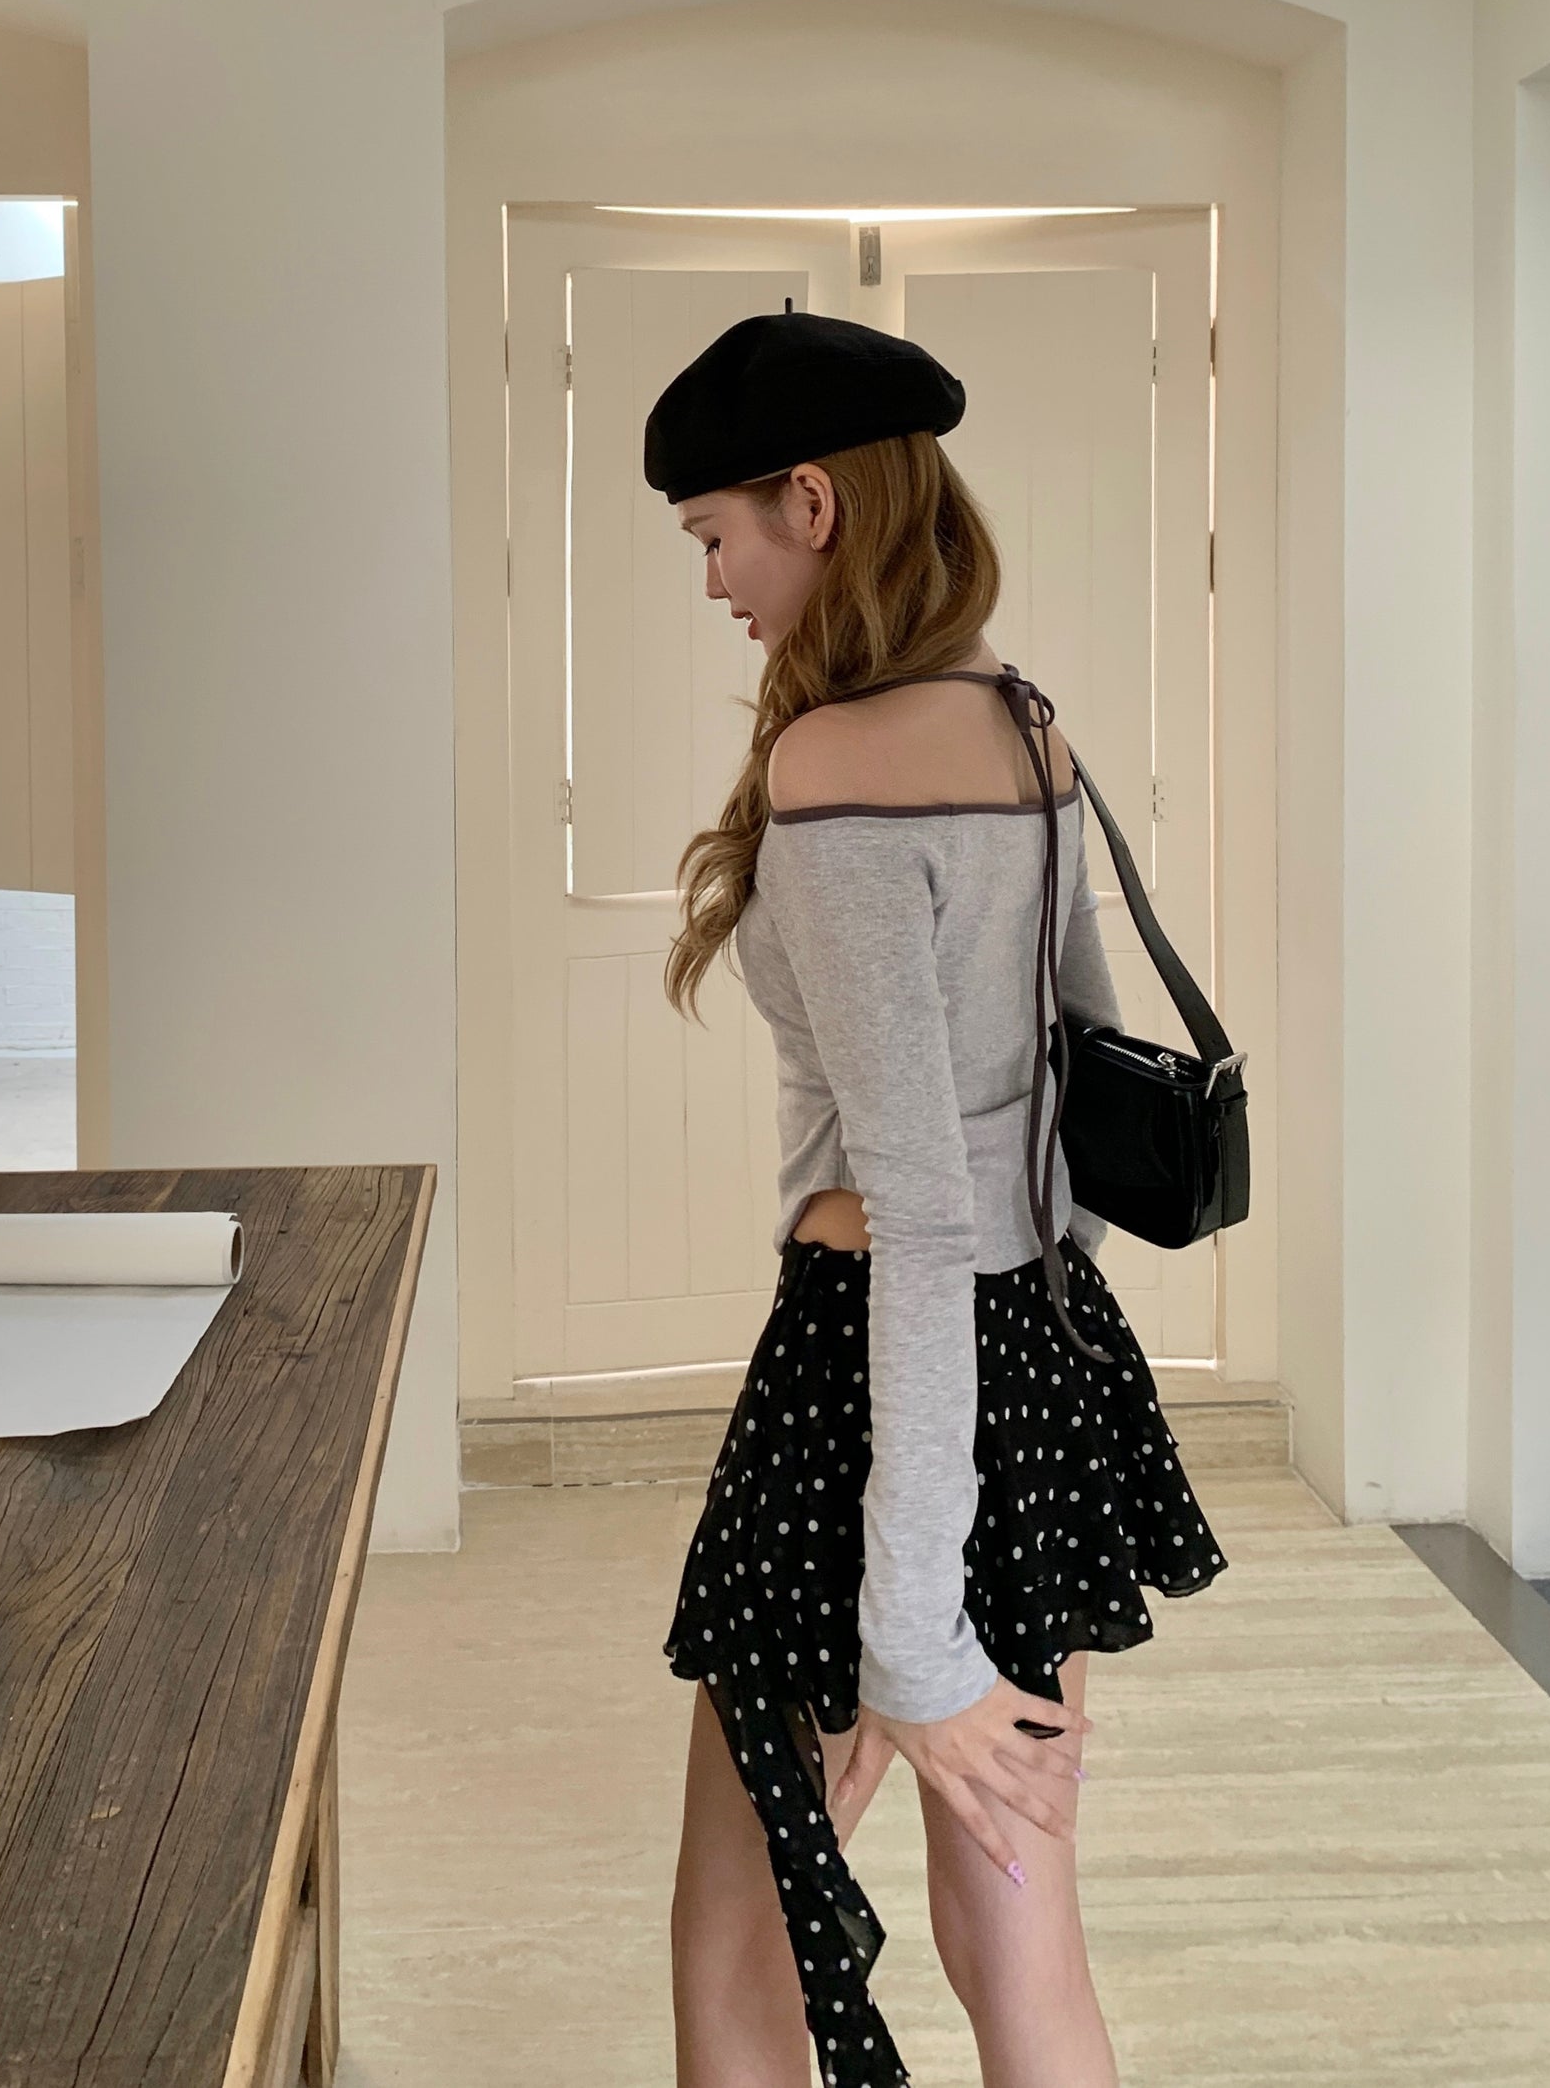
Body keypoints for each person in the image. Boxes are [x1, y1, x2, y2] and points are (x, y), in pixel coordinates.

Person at [644, 310, 1229, 2088]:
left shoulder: (828, 772)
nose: (715, 581)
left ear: (810, 502)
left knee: (738, 1948)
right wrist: (1024, 1336)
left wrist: (906, 1632)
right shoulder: (1023, 728)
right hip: (1037, 1359)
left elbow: (908, 1212)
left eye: (715, 536)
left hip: (866, 1387)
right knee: (1021, 1938)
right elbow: (1083, 1085)